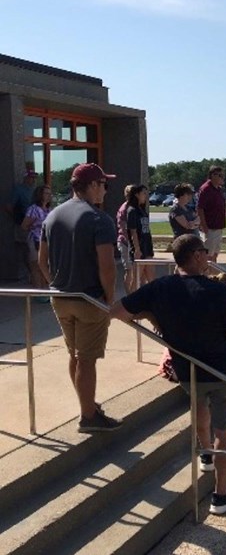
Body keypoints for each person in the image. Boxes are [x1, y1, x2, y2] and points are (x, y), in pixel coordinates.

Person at [110, 233, 226, 515]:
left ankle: (206, 454)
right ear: (196, 256)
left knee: (200, 407)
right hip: (221, 371)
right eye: (205, 252)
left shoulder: (160, 287)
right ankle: (221, 495)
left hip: (188, 371)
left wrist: (152, 315)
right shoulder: (217, 291)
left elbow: (118, 311)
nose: (209, 257)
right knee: (225, 430)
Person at [38, 163, 121, 433]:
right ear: (92, 186)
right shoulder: (99, 219)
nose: (105, 191)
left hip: (61, 297)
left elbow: (42, 259)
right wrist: (108, 299)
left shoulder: (52, 216)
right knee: (86, 359)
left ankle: (87, 405)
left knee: (75, 355)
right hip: (89, 299)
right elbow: (106, 266)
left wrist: (55, 283)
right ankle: (88, 417)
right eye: (103, 185)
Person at [21, 184, 52, 301]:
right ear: (40, 195)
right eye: (46, 193)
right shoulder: (33, 209)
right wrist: (35, 226)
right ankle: (38, 292)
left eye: (50, 193)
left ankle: (46, 291)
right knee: (35, 266)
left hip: (47, 241)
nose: (49, 196)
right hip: (34, 239)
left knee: (45, 265)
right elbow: (24, 225)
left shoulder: (49, 209)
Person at [6, 169, 38, 279]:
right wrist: (18, 219)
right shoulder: (19, 189)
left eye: (34, 177)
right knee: (27, 249)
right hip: (23, 224)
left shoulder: (34, 190)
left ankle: (33, 274)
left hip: (35, 225)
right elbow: (9, 206)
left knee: (33, 249)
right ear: (25, 178)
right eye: (31, 177)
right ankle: (30, 274)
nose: (33, 179)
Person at [126, 184, 154, 286]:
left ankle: (154, 301)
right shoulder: (132, 211)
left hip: (147, 247)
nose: (145, 196)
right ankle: (131, 300)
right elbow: (133, 231)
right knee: (136, 279)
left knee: (151, 278)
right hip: (139, 248)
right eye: (143, 193)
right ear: (137, 194)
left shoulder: (142, 210)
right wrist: (137, 249)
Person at [197, 165, 226, 263]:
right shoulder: (206, 189)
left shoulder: (218, 189)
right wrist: (204, 226)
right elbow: (200, 208)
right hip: (210, 228)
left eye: (222, 175)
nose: (222, 178)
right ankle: (205, 275)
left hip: (218, 227)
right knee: (207, 255)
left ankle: (212, 276)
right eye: (220, 175)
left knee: (215, 254)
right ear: (213, 175)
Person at [116, 184, 135, 294]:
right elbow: (123, 228)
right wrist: (131, 244)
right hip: (125, 243)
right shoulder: (125, 209)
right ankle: (129, 294)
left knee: (134, 270)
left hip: (131, 243)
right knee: (129, 270)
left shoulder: (133, 208)